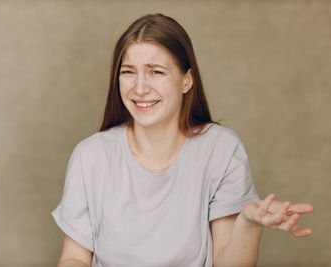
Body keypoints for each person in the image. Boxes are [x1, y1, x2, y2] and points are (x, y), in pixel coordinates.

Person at [52, 13, 314, 267]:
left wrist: (249, 224)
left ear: (186, 80)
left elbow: (227, 261)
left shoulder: (221, 149)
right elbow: (74, 257)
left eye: (156, 72)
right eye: (128, 72)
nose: (140, 88)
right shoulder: (90, 155)